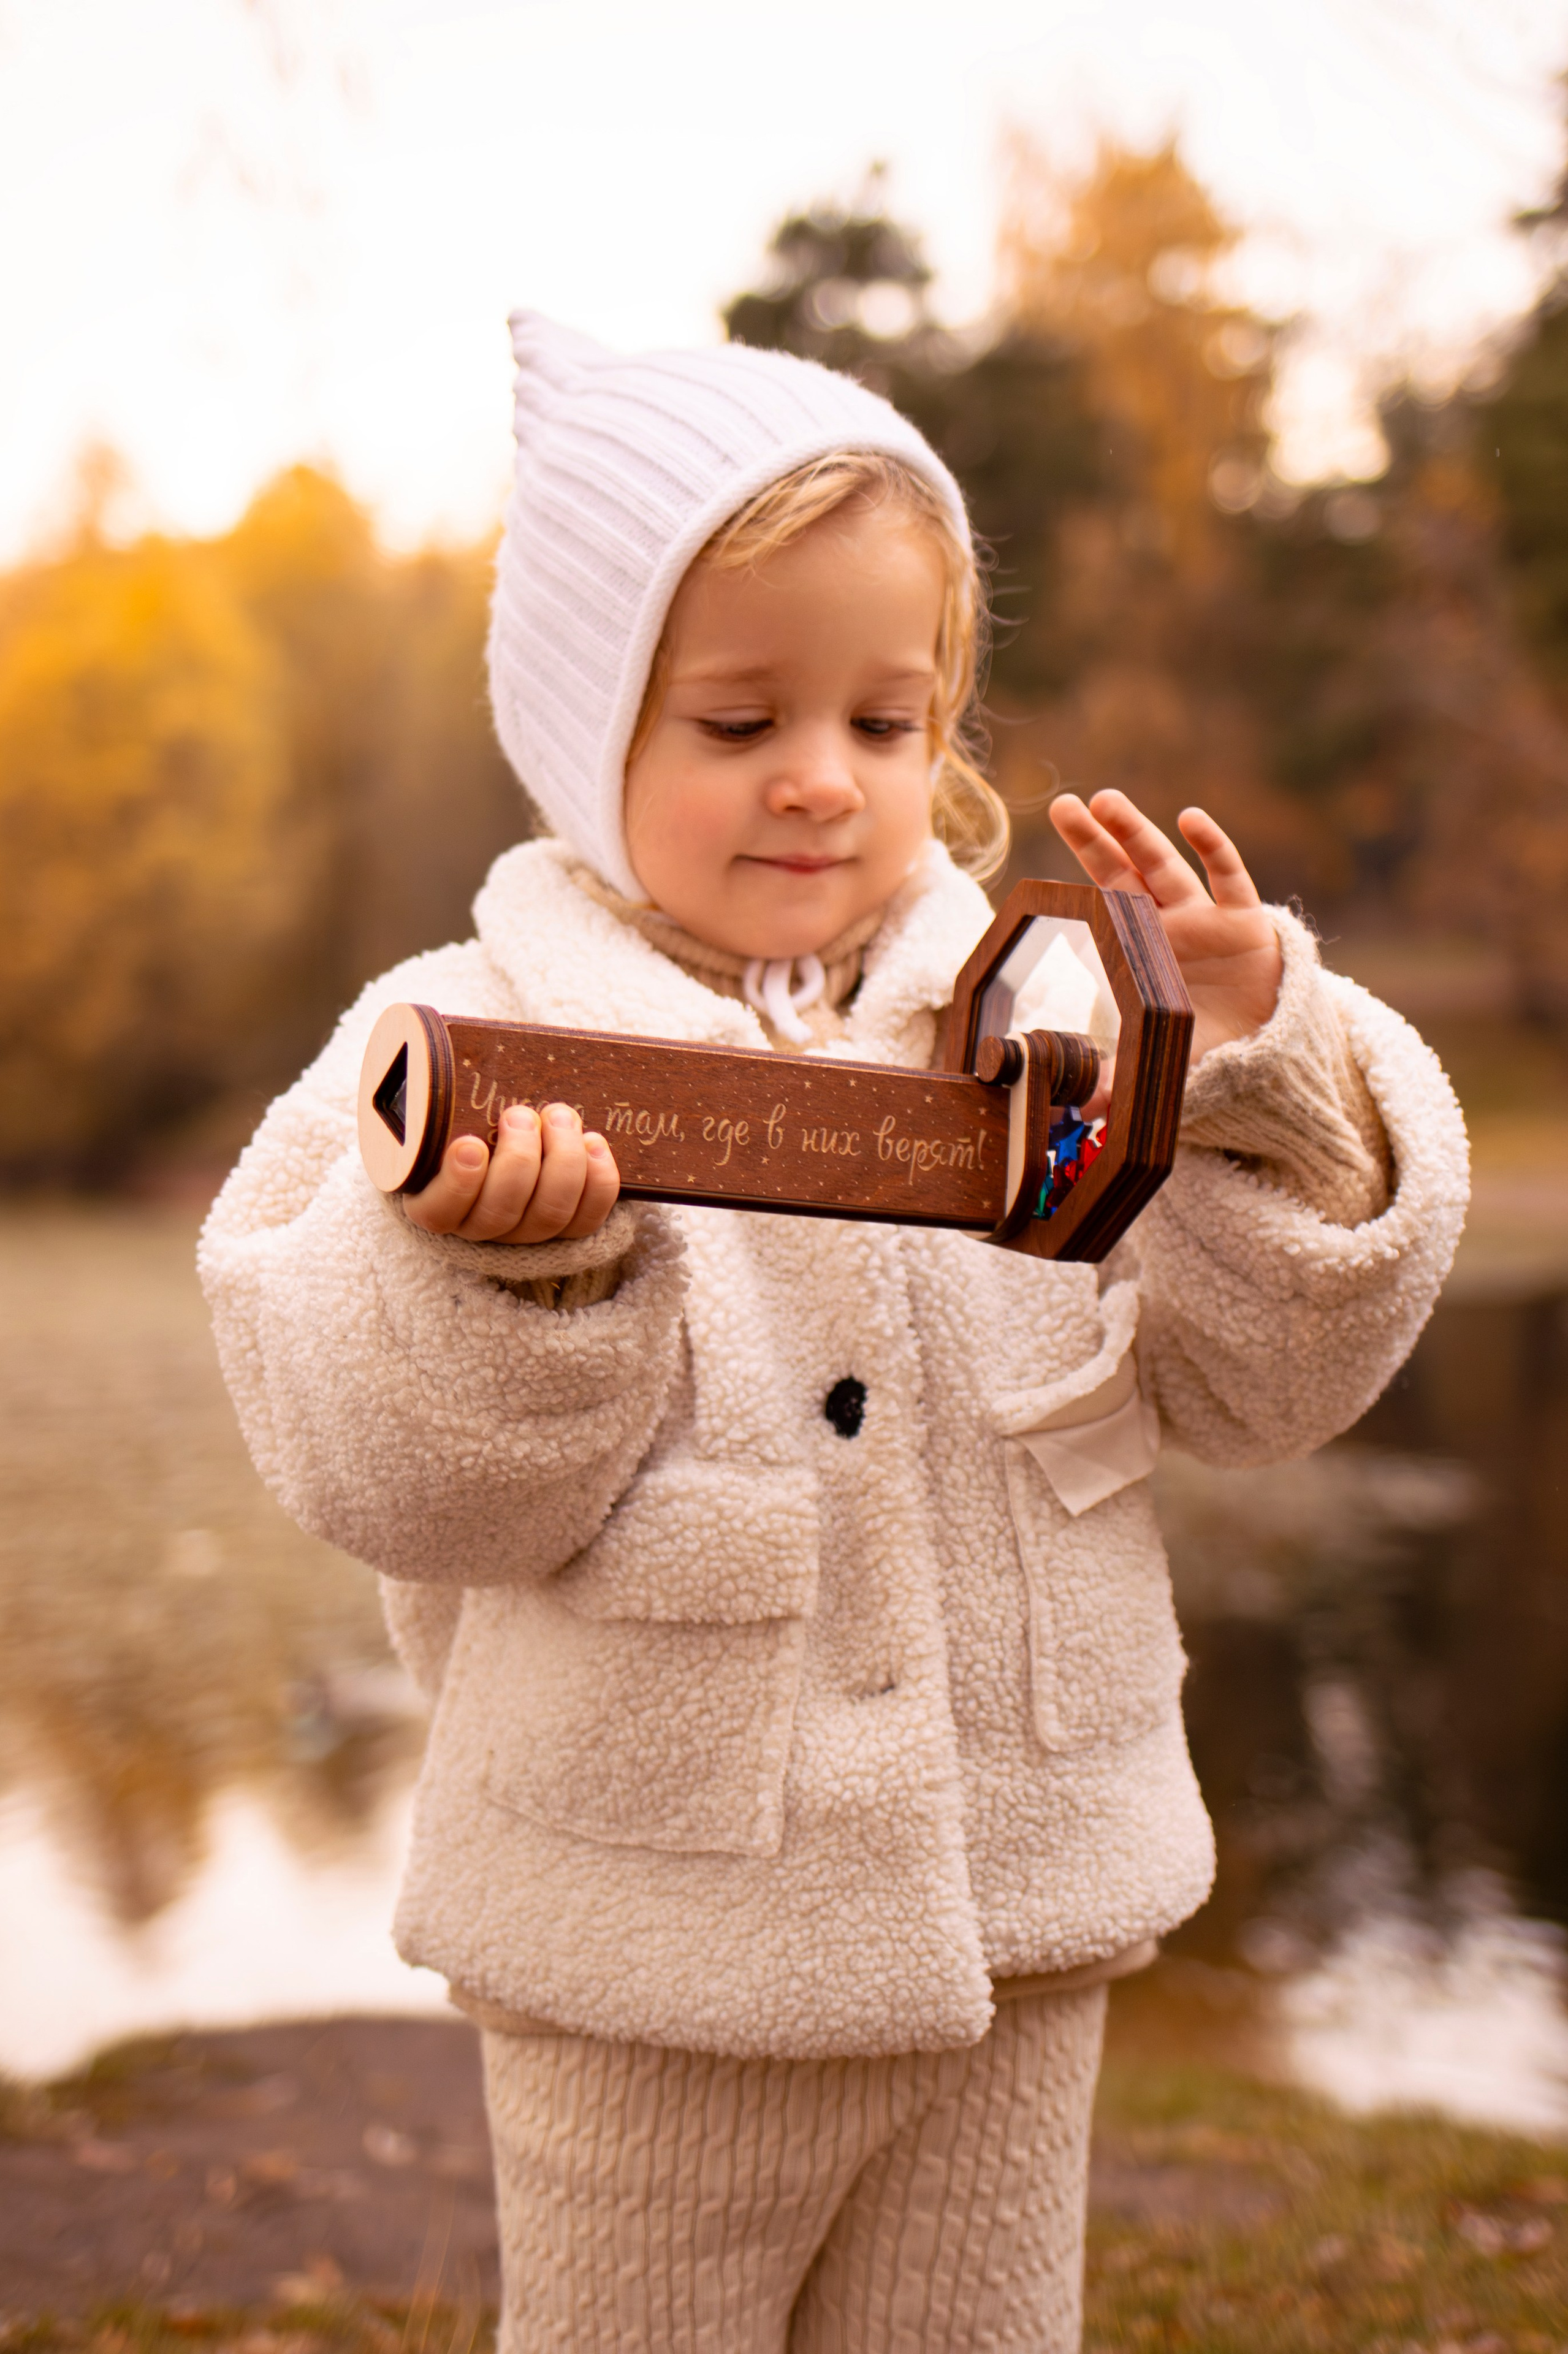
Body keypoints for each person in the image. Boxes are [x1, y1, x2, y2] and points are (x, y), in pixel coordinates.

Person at [200, 315, 1468, 2353]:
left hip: (1024, 1897)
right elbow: (395, 1480)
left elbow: (1269, 1386)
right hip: (662, 1927)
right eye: (735, 724)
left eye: (887, 725)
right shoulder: (456, 1042)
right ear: (588, 742)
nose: (820, 779)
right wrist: (507, 1280)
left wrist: (1255, 1065)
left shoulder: (1055, 1011)